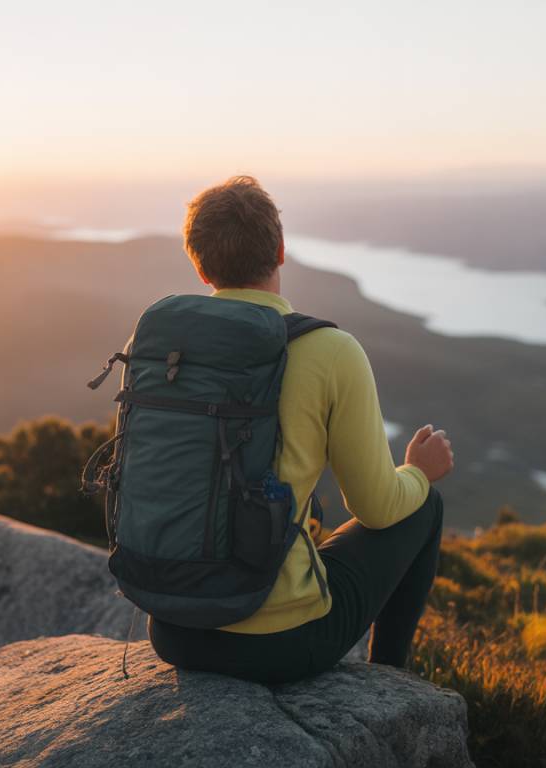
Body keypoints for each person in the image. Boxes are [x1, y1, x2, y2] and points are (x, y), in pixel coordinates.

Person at [147, 175, 455, 684]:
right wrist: (418, 473)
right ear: (282, 251)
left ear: (199, 266)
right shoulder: (330, 351)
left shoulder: (161, 346)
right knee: (425, 504)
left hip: (174, 628)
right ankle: (392, 684)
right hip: (281, 643)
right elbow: (377, 509)